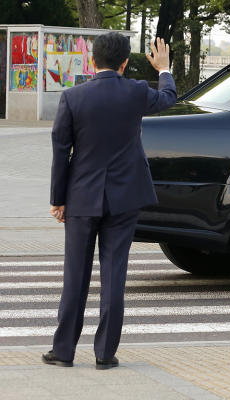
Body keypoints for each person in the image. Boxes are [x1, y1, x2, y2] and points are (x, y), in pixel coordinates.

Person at [43, 34, 177, 370]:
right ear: (124, 63)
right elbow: (168, 98)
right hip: (124, 198)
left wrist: (58, 199)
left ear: (92, 61)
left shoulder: (73, 97)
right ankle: (105, 354)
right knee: (115, 275)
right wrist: (163, 68)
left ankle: (63, 351)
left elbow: (61, 151)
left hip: (81, 198)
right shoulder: (134, 92)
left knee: (75, 276)